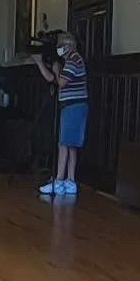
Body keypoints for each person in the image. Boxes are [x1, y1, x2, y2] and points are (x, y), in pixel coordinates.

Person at [36, 30, 88, 197]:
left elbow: (62, 82)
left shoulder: (73, 60)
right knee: (71, 144)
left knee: (64, 143)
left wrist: (57, 69)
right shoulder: (72, 60)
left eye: (60, 45)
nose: (58, 49)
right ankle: (70, 181)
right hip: (74, 106)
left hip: (73, 106)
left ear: (68, 46)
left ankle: (58, 181)